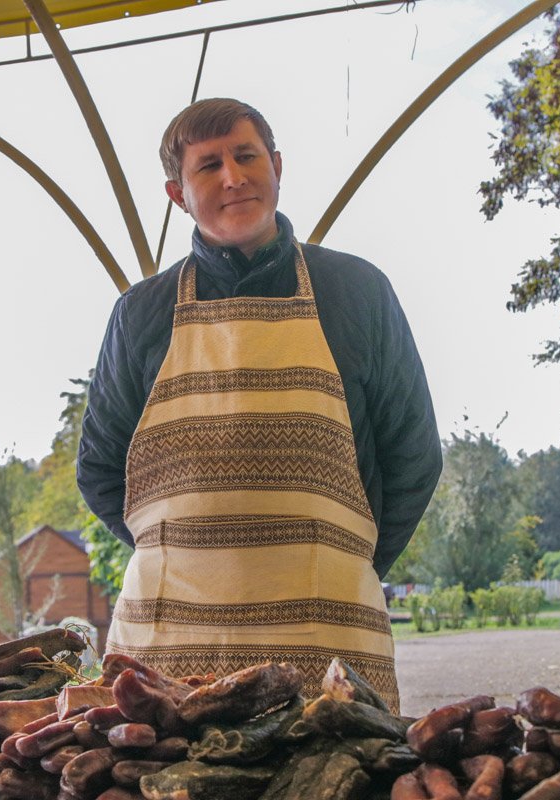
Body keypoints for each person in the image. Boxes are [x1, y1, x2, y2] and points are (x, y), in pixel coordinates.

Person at [77, 98, 442, 711]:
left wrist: (347, 562)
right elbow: (99, 469)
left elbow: (414, 456)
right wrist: (175, 550)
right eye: (208, 166)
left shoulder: (359, 292)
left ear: (276, 166)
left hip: (330, 639)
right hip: (169, 651)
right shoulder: (138, 313)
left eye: (246, 156)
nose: (233, 177)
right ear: (177, 194)